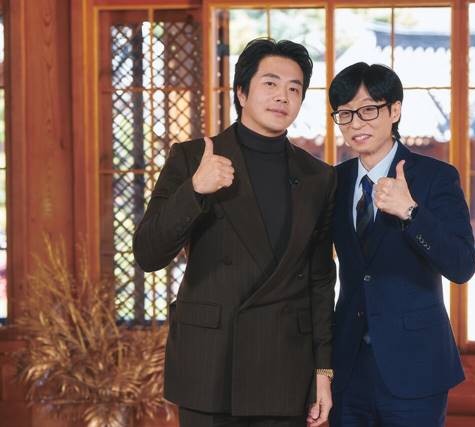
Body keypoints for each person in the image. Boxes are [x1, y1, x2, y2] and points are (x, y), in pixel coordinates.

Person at [133, 38, 335, 427]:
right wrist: (195, 190)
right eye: (270, 83)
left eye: (294, 88)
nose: (283, 96)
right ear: (241, 92)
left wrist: (323, 370)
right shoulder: (192, 157)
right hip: (211, 363)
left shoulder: (318, 177)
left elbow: (321, 280)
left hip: (285, 365)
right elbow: (148, 253)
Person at [326, 62, 475, 427]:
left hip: (416, 365)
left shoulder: (436, 177)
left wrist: (411, 212)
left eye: (368, 110)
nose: (356, 124)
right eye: (345, 114)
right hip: (348, 366)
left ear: (394, 110)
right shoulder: (333, 182)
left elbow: (462, 266)